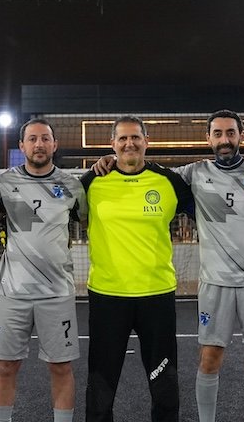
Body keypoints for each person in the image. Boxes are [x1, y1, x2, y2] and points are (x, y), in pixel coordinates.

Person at [94, 110, 244, 422]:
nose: (224, 140)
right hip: (214, 281)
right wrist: (113, 160)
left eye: (230, 133)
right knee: (209, 358)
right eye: (218, 133)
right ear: (208, 138)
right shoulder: (193, 173)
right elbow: (147, 171)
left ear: (241, 136)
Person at [80, 115, 193, 422]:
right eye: (122, 138)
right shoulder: (92, 181)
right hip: (107, 295)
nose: (129, 143)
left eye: (135, 137)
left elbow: (208, 207)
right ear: (112, 144)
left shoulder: (169, 181)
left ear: (146, 142)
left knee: (164, 381)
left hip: (156, 294)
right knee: (101, 384)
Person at [0, 118, 87, 422]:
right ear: (22, 146)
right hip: (13, 293)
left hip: (57, 293)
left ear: (55, 144)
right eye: (32, 139)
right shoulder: (4, 182)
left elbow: (87, 221)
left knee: (61, 367)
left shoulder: (72, 186)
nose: (39, 144)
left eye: (45, 138)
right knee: (5, 366)